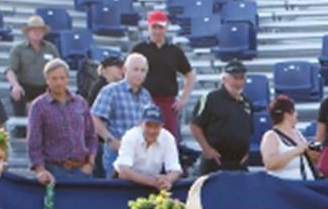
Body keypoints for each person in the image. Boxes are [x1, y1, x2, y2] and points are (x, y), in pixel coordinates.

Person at [27, 58, 97, 186]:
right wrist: (40, 170)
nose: (59, 82)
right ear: (47, 80)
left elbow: (91, 135)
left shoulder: (81, 103)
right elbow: (34, 142)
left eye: (62, 78)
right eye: (54, 79)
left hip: (82, 171)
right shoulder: (38, 106)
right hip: (54, 171)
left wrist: (90, 163)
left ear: (67, 79)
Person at [132, 10, 195, 140]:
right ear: (149, 27)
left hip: (167, 103)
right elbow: (128, 71)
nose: (157, 31)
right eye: (154, 27)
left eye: (160, 27)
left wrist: (183, 99)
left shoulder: (174, 51)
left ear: (166, 28)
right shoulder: (139, 49)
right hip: (144, 101)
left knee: (169, 141)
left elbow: (190, 74)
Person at [91, 52, 154, 179]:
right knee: (115, 195)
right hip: (116, 154)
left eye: (143, 70)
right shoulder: (110, 91)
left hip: (140, 155)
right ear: (125, 70)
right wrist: (110, 140)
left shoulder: (146, 96)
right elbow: (94, 118)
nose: (139, 73)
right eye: (135, 69)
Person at [189, 60, 253, 174]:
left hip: (239, 163)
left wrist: (246, 152)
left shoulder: (247, 103)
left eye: (241, 78)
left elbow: (249, 130)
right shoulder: (210, 98)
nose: (239, 82)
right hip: (215, 162)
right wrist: (207, 149)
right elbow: (195, 125)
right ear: (224, 79)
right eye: (235, 78)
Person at [112, 104, 181, 190]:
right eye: (148, 125)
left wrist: (167, 180)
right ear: (141, 124)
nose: (152, 130)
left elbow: (175, 169)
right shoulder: (130, 136)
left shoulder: (168, 138)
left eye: (156, 126)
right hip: (125, 185)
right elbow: (123, 171)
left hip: (153, 186)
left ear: (162, 125)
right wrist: (153, 182)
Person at [5, 15, 60, 119]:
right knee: (17, 93)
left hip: (46, 87)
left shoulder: (51, 48)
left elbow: (58, 68)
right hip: (25, 86)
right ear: (28, 32)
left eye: (40, 29)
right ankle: (20, 128)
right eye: (34, 29)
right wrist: (15, 85)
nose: (37, 32)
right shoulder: (18, 49)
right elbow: (10, 70)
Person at [259, 93, 320, 181]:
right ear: (287, 114)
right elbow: (270, 163)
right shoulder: (270, 136)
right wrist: (297, 150)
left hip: (305, 185)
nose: (296, 114)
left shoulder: (297, 133)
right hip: (285, 188)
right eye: (294, 111)